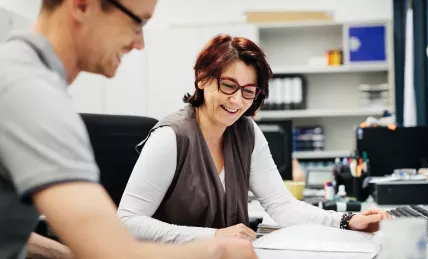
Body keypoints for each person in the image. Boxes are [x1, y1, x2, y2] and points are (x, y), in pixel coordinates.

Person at [0, 1, 257, 259]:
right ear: (82, 5)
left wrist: (69, 254)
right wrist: (217, 250)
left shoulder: (15, 74)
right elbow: (112, 253)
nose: (140, 43)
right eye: (138, 22)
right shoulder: (28, 92)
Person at [117, 34, 392, 244]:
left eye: (249, 92)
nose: (237, 101)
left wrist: (346, 220)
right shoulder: (170, 138)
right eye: (228, 85)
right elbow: (127, 222)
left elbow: (282, 207)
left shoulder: (246, 132)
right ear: (202, 78)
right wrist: (214, 237)